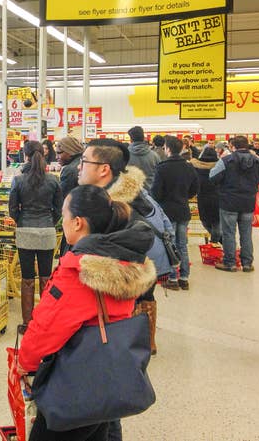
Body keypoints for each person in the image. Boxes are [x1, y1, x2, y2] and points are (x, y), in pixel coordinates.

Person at [17, 185, 156, 441]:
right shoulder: (123, 260)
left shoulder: (77, 272)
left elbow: (47, 328)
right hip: (106, 381)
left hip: (74, 387)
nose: (63, 220)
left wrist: (24, 363)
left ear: (78, 222)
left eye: (64, 214)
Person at [79, 138, 174, 355]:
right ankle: (148, 342)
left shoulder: (112, 203)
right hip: (154, 255)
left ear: (104, 169)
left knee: (126, 300)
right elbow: (164, 221)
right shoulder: (135, 189)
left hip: (141, 258)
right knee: (146, 297)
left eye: (84, 161)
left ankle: (129, 343)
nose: (79, 166)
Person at [9, 141, 63, 333]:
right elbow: (58, 210)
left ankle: (27, 323)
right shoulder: (53, 180)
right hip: (47, 231)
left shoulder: (18, 180)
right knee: (46, 277)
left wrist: (21, 220)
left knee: (27, 277)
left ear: (26, 156)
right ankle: (46, 321)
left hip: (25, 232)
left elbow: (12, 210)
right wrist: (49, 221)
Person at [209, 135, 259, 272]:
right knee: (246, 233)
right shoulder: (257, 161)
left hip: (229, 202)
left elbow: (212, 177)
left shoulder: (225, 161)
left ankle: (230, 263)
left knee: (228, 233)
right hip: (248, 202)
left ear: (233, 146)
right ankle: (247, 264)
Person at [151, 136, 199, 290]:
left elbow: (156, 193)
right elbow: (194, 189)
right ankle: (184, 278)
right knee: (182, 245)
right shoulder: (189, 167)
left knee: (169, 244)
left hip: (167, 211)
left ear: (168, 149)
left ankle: (172, 278)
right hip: (183, 210)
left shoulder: (162, 168)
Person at [191, 146, 221, 244]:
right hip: (217, 197)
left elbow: (193, 183)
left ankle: (215, 240)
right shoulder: (220, 166)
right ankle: (216, 241)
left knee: (205, 221)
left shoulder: (196, 167)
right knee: (216, 222)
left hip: (202, 198)